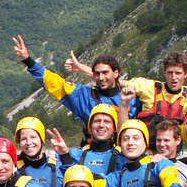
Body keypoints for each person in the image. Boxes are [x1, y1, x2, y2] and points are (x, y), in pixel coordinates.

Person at [12, 35, 140, 144]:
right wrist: (28, 61)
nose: (101, 78)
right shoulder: (84, 96)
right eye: (97, 74)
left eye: (105, 73)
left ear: (116, 73)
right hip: (92, 151)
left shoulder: (133, 97)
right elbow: (55, 83)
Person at [52, 104, 127, 178]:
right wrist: (63, 155)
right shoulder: (74, 155)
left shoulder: (121, 157)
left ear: (114, 128)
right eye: (97, 121)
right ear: (90, 127)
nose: (101, 125)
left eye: (107, 122)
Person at [15, 116, 62, 187]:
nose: (28, 142)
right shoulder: (15, 171)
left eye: (33, 137)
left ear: (41, 139)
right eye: (23, 139)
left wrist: (64, 154)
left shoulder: (58, 165)